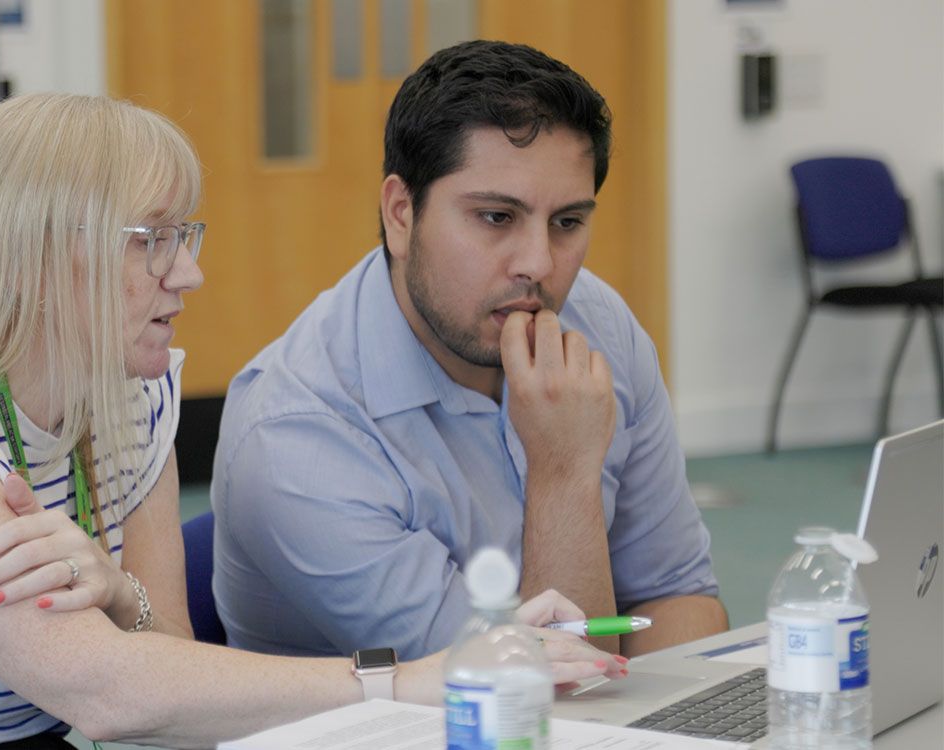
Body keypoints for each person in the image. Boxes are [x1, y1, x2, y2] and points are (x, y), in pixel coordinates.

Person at [0, 93, 624, 749]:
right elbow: (109, 696)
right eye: (152, 239)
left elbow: (172, 693)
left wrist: (124, 596)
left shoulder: (130, 400)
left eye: (185, 236)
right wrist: (415, 680)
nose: (188, 273)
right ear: (31, 258)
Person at [211, 39, 729, 663]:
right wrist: (563, 470)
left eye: (567, 222)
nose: (539, 265)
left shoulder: (599, 324)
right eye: (495, 217)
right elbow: (527, 693)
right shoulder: (297, 436)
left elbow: (681, 598)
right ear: (401, 214)